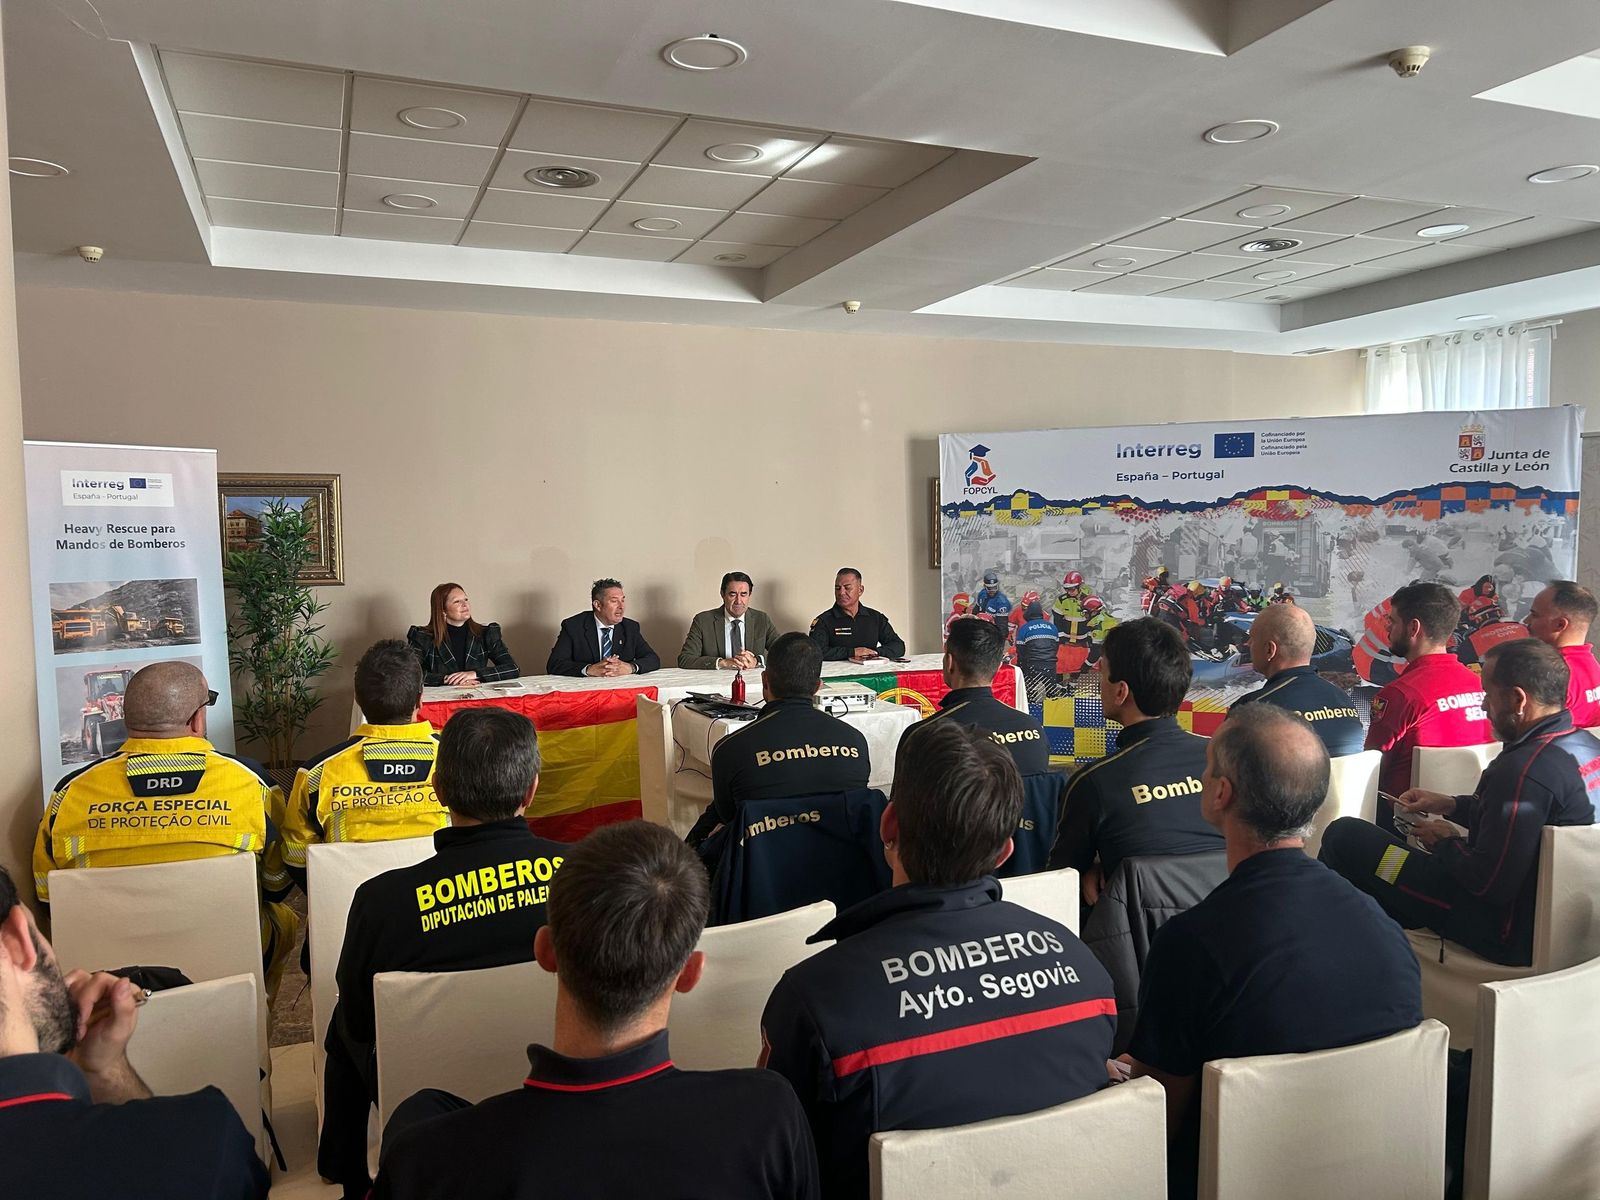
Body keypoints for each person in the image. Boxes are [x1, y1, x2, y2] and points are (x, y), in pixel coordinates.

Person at [760, 722, 1115, 1200]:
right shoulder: (1087, 975)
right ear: (1005, 852)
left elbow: (778, 1169)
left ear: (889, 826)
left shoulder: (813, 1003)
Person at [373, 822, 819, 1200]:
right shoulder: (768, 1114)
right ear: (689, 974)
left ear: (545, 952)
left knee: (420, 1106)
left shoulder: (426, 1160)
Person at [1123, 705, 1421, 1199]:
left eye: (1207, 766)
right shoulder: (1382, 924)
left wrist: (1131, 1079)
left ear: (1221, 793)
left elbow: (1159, 1123)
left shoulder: (1191, 943)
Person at [318, 708, 568, 1199]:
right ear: (532, 789)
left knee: (342, 1024)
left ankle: (350, 1177)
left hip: (426, 1119)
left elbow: (361, 1025)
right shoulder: (583, 875)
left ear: (436, 788)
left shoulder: (382, 901)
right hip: (556, 1095)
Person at [1320, 639, 1597, 966]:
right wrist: (1451, 805)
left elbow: (1487, 883)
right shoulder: (1585, 747)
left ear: (1518, 699)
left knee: (1346, 838)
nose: (1483, 706)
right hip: (1565, 924)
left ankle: (1342, 954)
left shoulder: (1522, 771)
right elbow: (1520, 825)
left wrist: (1445, 842)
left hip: (1494, 927)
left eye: (1488, 694)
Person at [0, 864, 268, 1198]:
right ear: (18, 942)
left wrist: (103, 1070)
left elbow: (45, 892)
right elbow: (276, 879)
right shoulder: (204, 1141)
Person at [32, 661, 299, 996]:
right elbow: (276, 883)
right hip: (225, 962)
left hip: (107, 981)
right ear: (197, 719)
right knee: (282, 918)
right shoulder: (250, 783)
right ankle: (251, 1019)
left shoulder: (69, 794)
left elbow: (49, 899)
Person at [1051, 619, 1222, 906]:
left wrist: (1097, 872)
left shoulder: (1094, 782)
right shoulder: (1225, 761)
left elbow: (1059, 883)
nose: (1098, 683)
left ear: (1121, 692)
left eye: (1102, 674)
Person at [685, 633, 869, 849]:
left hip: (759, 872)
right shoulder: (855, 741)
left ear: (765, 681)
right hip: (843, 871)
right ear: (818, 687)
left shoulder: (731, 749)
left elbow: (728, 818)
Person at [282, 639, 446, 882]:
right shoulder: (460, 759)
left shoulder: (315, 774)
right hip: (444, 910)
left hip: (349, 912)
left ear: (358, 699)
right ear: (420, 699)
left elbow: (296, 859)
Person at [1365, 582, 1492, 830]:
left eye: (1392, 621)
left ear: (1413, 628)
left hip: (1405, 832)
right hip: (1470, 824)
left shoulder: (1400, 695)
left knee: (1340, 837)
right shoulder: (1481, 686)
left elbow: (1372, 771)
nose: (1387, 628)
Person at [900, 617, 1048, 774]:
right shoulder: (1033, 727)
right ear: (998, 667)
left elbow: (902, 798)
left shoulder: (922, 735)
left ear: (949, 662)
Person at [1230, 603, 1363, 757]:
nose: (1248, 644)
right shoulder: (1342, 699)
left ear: (1269, 650)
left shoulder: (1250, 709)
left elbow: (1227, 771)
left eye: (1252, 638)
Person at [405, 582, 519, 687]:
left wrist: (475, 674)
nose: (465, 605)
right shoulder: (422, 636)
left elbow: (512, 669)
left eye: (466, 599)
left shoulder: (486, 633)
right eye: (457, 601)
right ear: (442, 610)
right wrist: (446, 679)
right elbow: (408, 674)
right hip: (440, 704)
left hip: (478, 700)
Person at [1524, 580, 1600, 728]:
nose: (1527, 621)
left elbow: (1532, 735)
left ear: (1560, 625)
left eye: (1534, 615)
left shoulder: (1548, 673)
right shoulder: (1594, 669)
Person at [547, 578, 661, 677]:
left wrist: (630, 667)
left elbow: (653, 659)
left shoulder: (630, 627)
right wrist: (589, 669)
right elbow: (555, 664)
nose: (621, 606)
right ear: (598, 605)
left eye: (622, 600)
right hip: (586, 692)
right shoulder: (573, 626)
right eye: (614, 601)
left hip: (620, 690)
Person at [678, 571, 781, 670]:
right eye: (732, 594)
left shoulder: (761, 619)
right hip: (716, 685)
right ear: (723, 594)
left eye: (743, 594)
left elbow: (783, 654)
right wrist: (722, 663)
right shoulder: (703, 621)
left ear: (750, 594)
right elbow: (685, 659)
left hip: (753, 685)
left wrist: (757, 661)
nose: (738, 601)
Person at [808, 568, 906, 662]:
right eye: (837, 588)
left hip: (872, 675)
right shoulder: (823, 621)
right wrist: (852, 652)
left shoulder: (875, 617)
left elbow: (898, 646)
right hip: (838, 677)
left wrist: (874, 653)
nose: (841, 593)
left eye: (847, 588)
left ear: (860, 590)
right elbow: (815, 653)